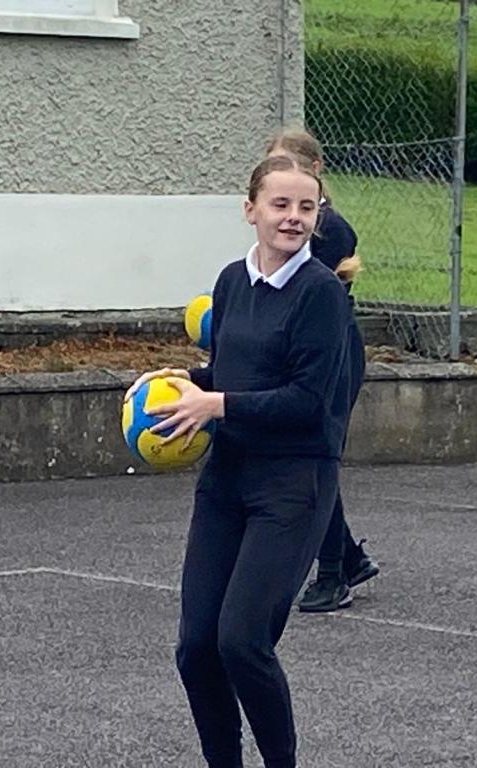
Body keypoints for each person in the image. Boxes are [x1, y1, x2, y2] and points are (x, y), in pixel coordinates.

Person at [125, 154, 353, 768]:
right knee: (196, 649)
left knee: (243, 642)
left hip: (293, 483)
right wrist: (184, 382)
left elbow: (309, 401)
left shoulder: (322, 294)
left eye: (307, 207)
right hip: (226, 479)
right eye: (281, 205)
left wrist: (216, 403)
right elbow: (230, 371)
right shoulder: (230, 282)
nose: (294, 217)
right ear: (250, 210)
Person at [266, 129, 380, 613]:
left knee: (315, 456)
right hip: (293, 347)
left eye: (286, 164)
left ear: (314, 169)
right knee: (300, 457)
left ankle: (334, 573)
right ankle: (348, 557)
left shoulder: (329, 228)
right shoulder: (282, 224)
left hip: (330, 351)